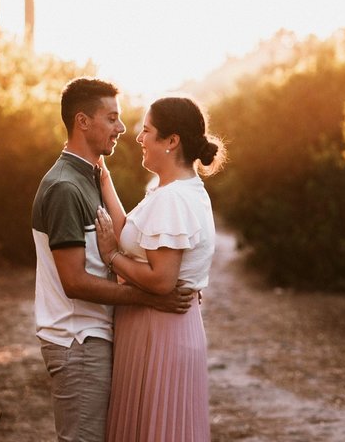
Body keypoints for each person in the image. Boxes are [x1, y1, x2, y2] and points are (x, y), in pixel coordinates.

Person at [33, 77, 195, 442]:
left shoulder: (88, 178)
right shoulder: (65, 188)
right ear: (82, 121)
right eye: (111, 118)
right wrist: (151, 298)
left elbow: (122, 243)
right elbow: (74, 281)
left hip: (92, 339)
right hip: (77, 341)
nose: (121, 128)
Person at [95, 95, 224, 442]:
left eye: (147, 131)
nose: (139, 138)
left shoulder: (173, 199)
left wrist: (111, 257)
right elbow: (132, 235)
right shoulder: (176, 190)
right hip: (163, 328)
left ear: (172, 141)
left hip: (160, 332)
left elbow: (162, 280)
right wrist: (105, 180)